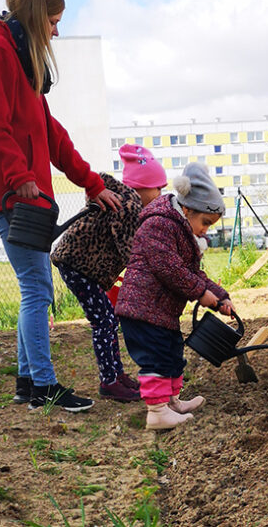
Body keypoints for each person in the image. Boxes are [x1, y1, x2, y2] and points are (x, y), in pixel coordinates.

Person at [0, 0, 121, 413]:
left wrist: (93, 183)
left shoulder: (20, 59)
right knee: (37, 288)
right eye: (53, 21)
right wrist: (18, 177)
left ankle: (27, 382)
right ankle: (45, 388)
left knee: (33, 287)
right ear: (35, 16)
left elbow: (52, 135)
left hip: (25, 195)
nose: (56, 31)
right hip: (10, 197)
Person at [115, 162, 235, 430]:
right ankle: (156, 411)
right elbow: (169, 269)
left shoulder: (180, 229)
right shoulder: (159, 224)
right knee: (155, 358)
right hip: (142, 310)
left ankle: (171, 402)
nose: (206, 230)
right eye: (205, 222)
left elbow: (192, 272)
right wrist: (200, 293)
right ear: (188, 209)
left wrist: (219, 296)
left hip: (161, 312)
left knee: (171, 354)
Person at [50, 144, 167, 402]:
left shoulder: (129, 203)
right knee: (104, 321)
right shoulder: (128, 207)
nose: (162, 194)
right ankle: (110, 381)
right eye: (159, 187)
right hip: (77, 265)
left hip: (84, 267)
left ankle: (116, 375)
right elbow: (132, 253)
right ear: (143, 187)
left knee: (108, 320)